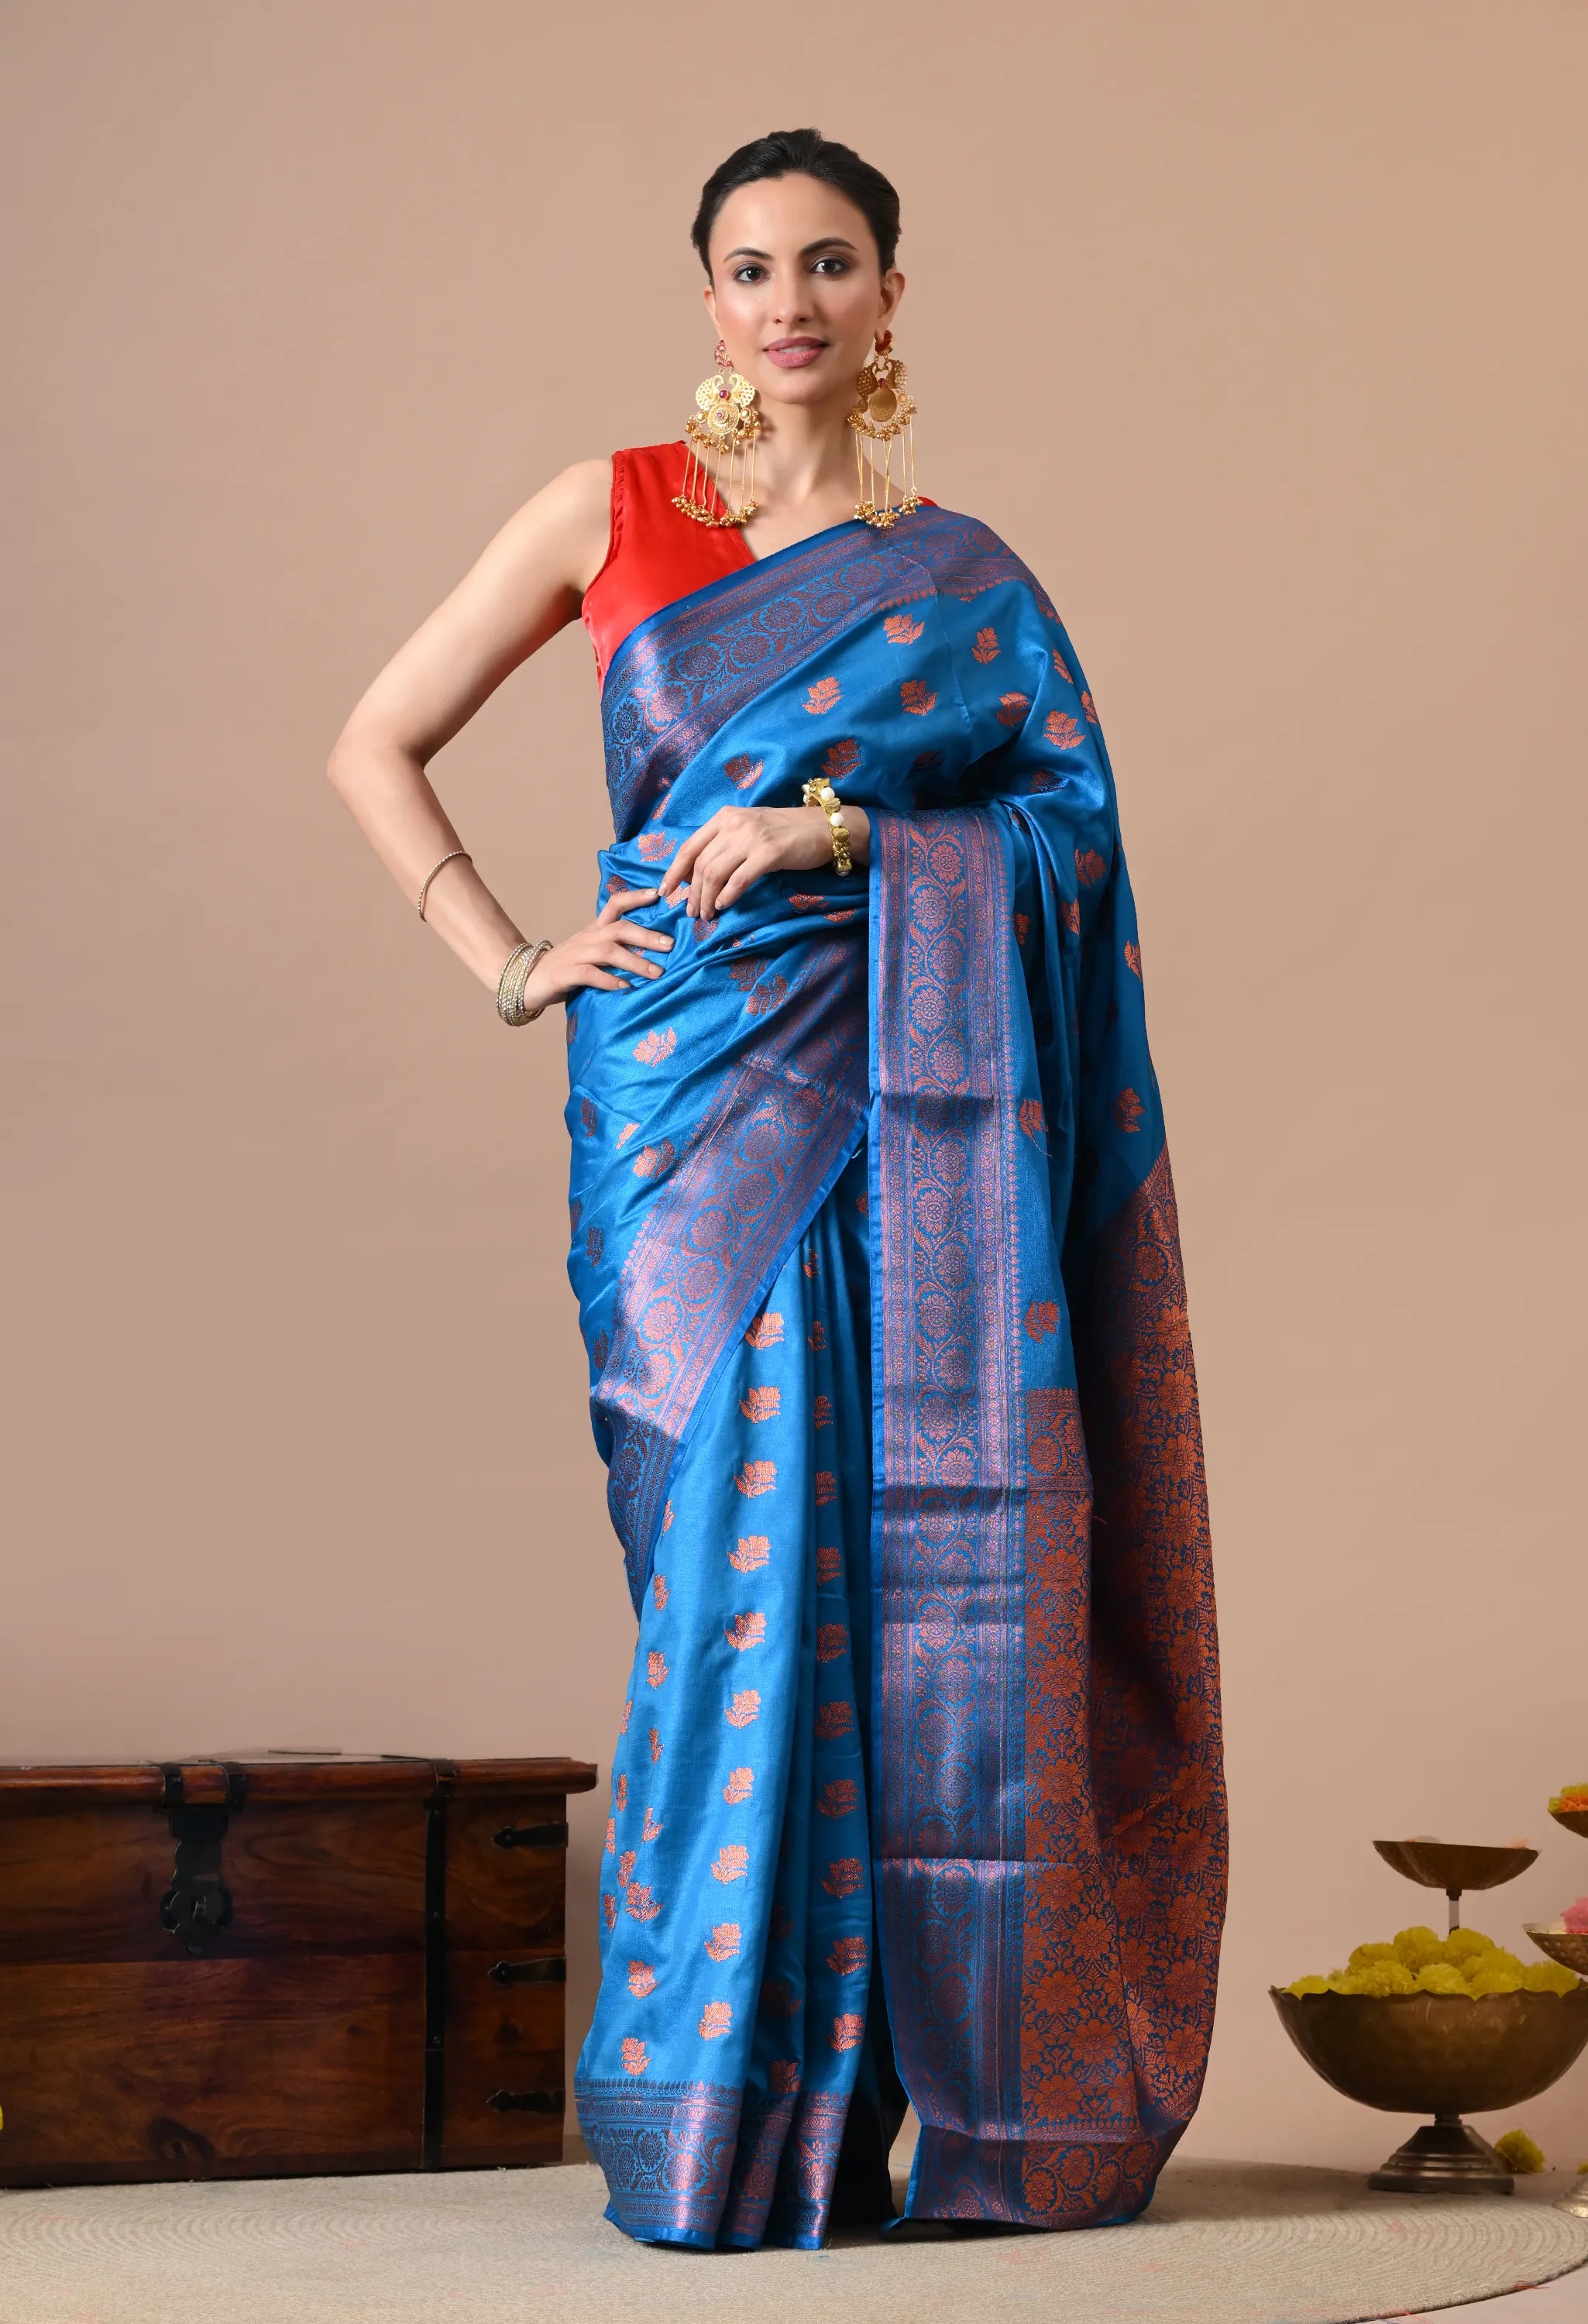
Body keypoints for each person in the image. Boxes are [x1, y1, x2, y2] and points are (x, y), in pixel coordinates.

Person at [328, 127, 1228, 2253]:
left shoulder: (965, 580)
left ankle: (913, 2104)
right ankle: (731, 2124)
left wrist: (845, 841)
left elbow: (1069, 841)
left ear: (892, 294)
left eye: (831, 263)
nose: (791, 302)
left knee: (915, 1568)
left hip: (912, 1108)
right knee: (726, 1567)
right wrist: (508, 958)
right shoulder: (610, 506)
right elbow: (374, 740)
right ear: (709, 300)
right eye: (752, 268)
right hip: (676, 1096)